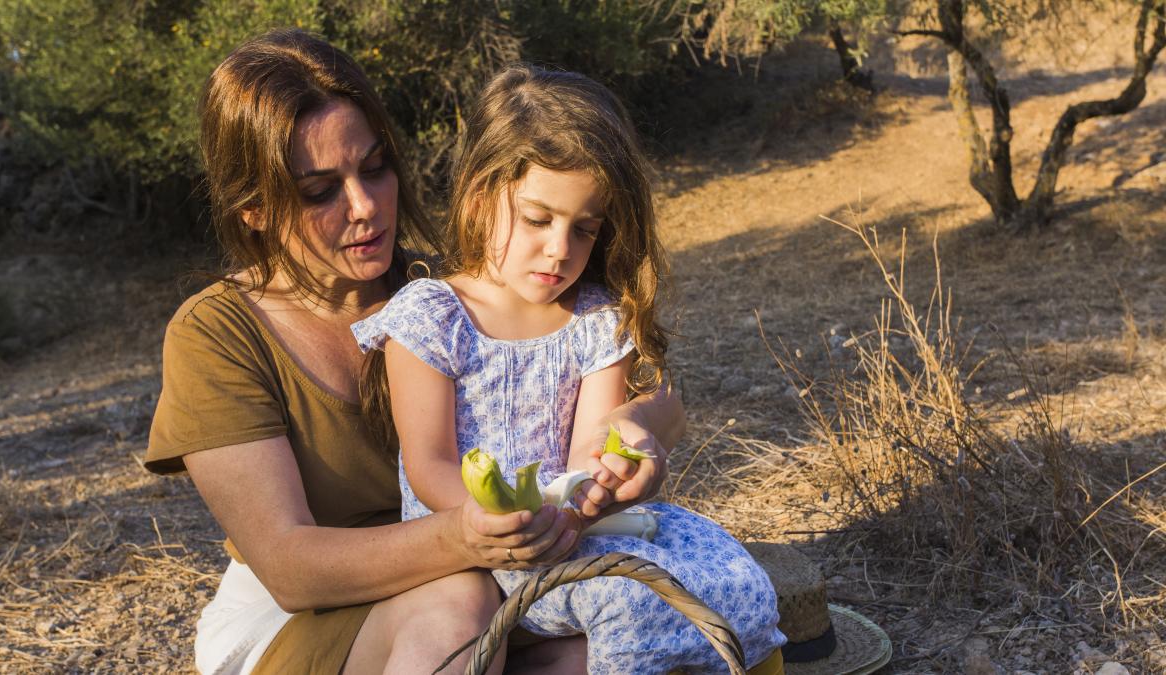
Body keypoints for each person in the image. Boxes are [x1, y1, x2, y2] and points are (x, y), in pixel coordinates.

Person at [143, 30, 684, 675]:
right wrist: (464, 536)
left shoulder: (442, 293)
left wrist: (636, 432)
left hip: (496, 583)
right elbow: (291, 570)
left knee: (633, 640)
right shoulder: (218, 334)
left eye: (375, 168)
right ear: (255, 209)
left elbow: (663, 402)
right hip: (306, 618)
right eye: (320, 190)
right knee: (457, 604)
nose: (366, 206)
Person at [352, 64, 786, 674]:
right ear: (481, 200)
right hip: (475, 539)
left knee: (738, 581)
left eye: (584, 229)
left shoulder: (593, 318)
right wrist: (499, 519)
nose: (560, 248)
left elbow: (591, 442)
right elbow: (430, 467)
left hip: (571, 526)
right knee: (628, 601)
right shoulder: (431, 316)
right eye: (537, 219)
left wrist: (611, 472)